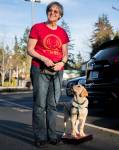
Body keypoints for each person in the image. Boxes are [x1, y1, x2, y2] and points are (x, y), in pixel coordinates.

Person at [27, 1, 69, 148]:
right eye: (50, 10)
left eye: (56, 11)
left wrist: (61, 63)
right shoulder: (37, 28)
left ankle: (52, 135)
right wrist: (44, 58)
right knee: (40, 105)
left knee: (52, 105)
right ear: (47, 12)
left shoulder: (62, 32)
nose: (53, 12)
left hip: (57, 71)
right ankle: (40, 136)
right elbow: (30, 49)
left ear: (60, 16)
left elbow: (65, 54)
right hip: (40, 69)